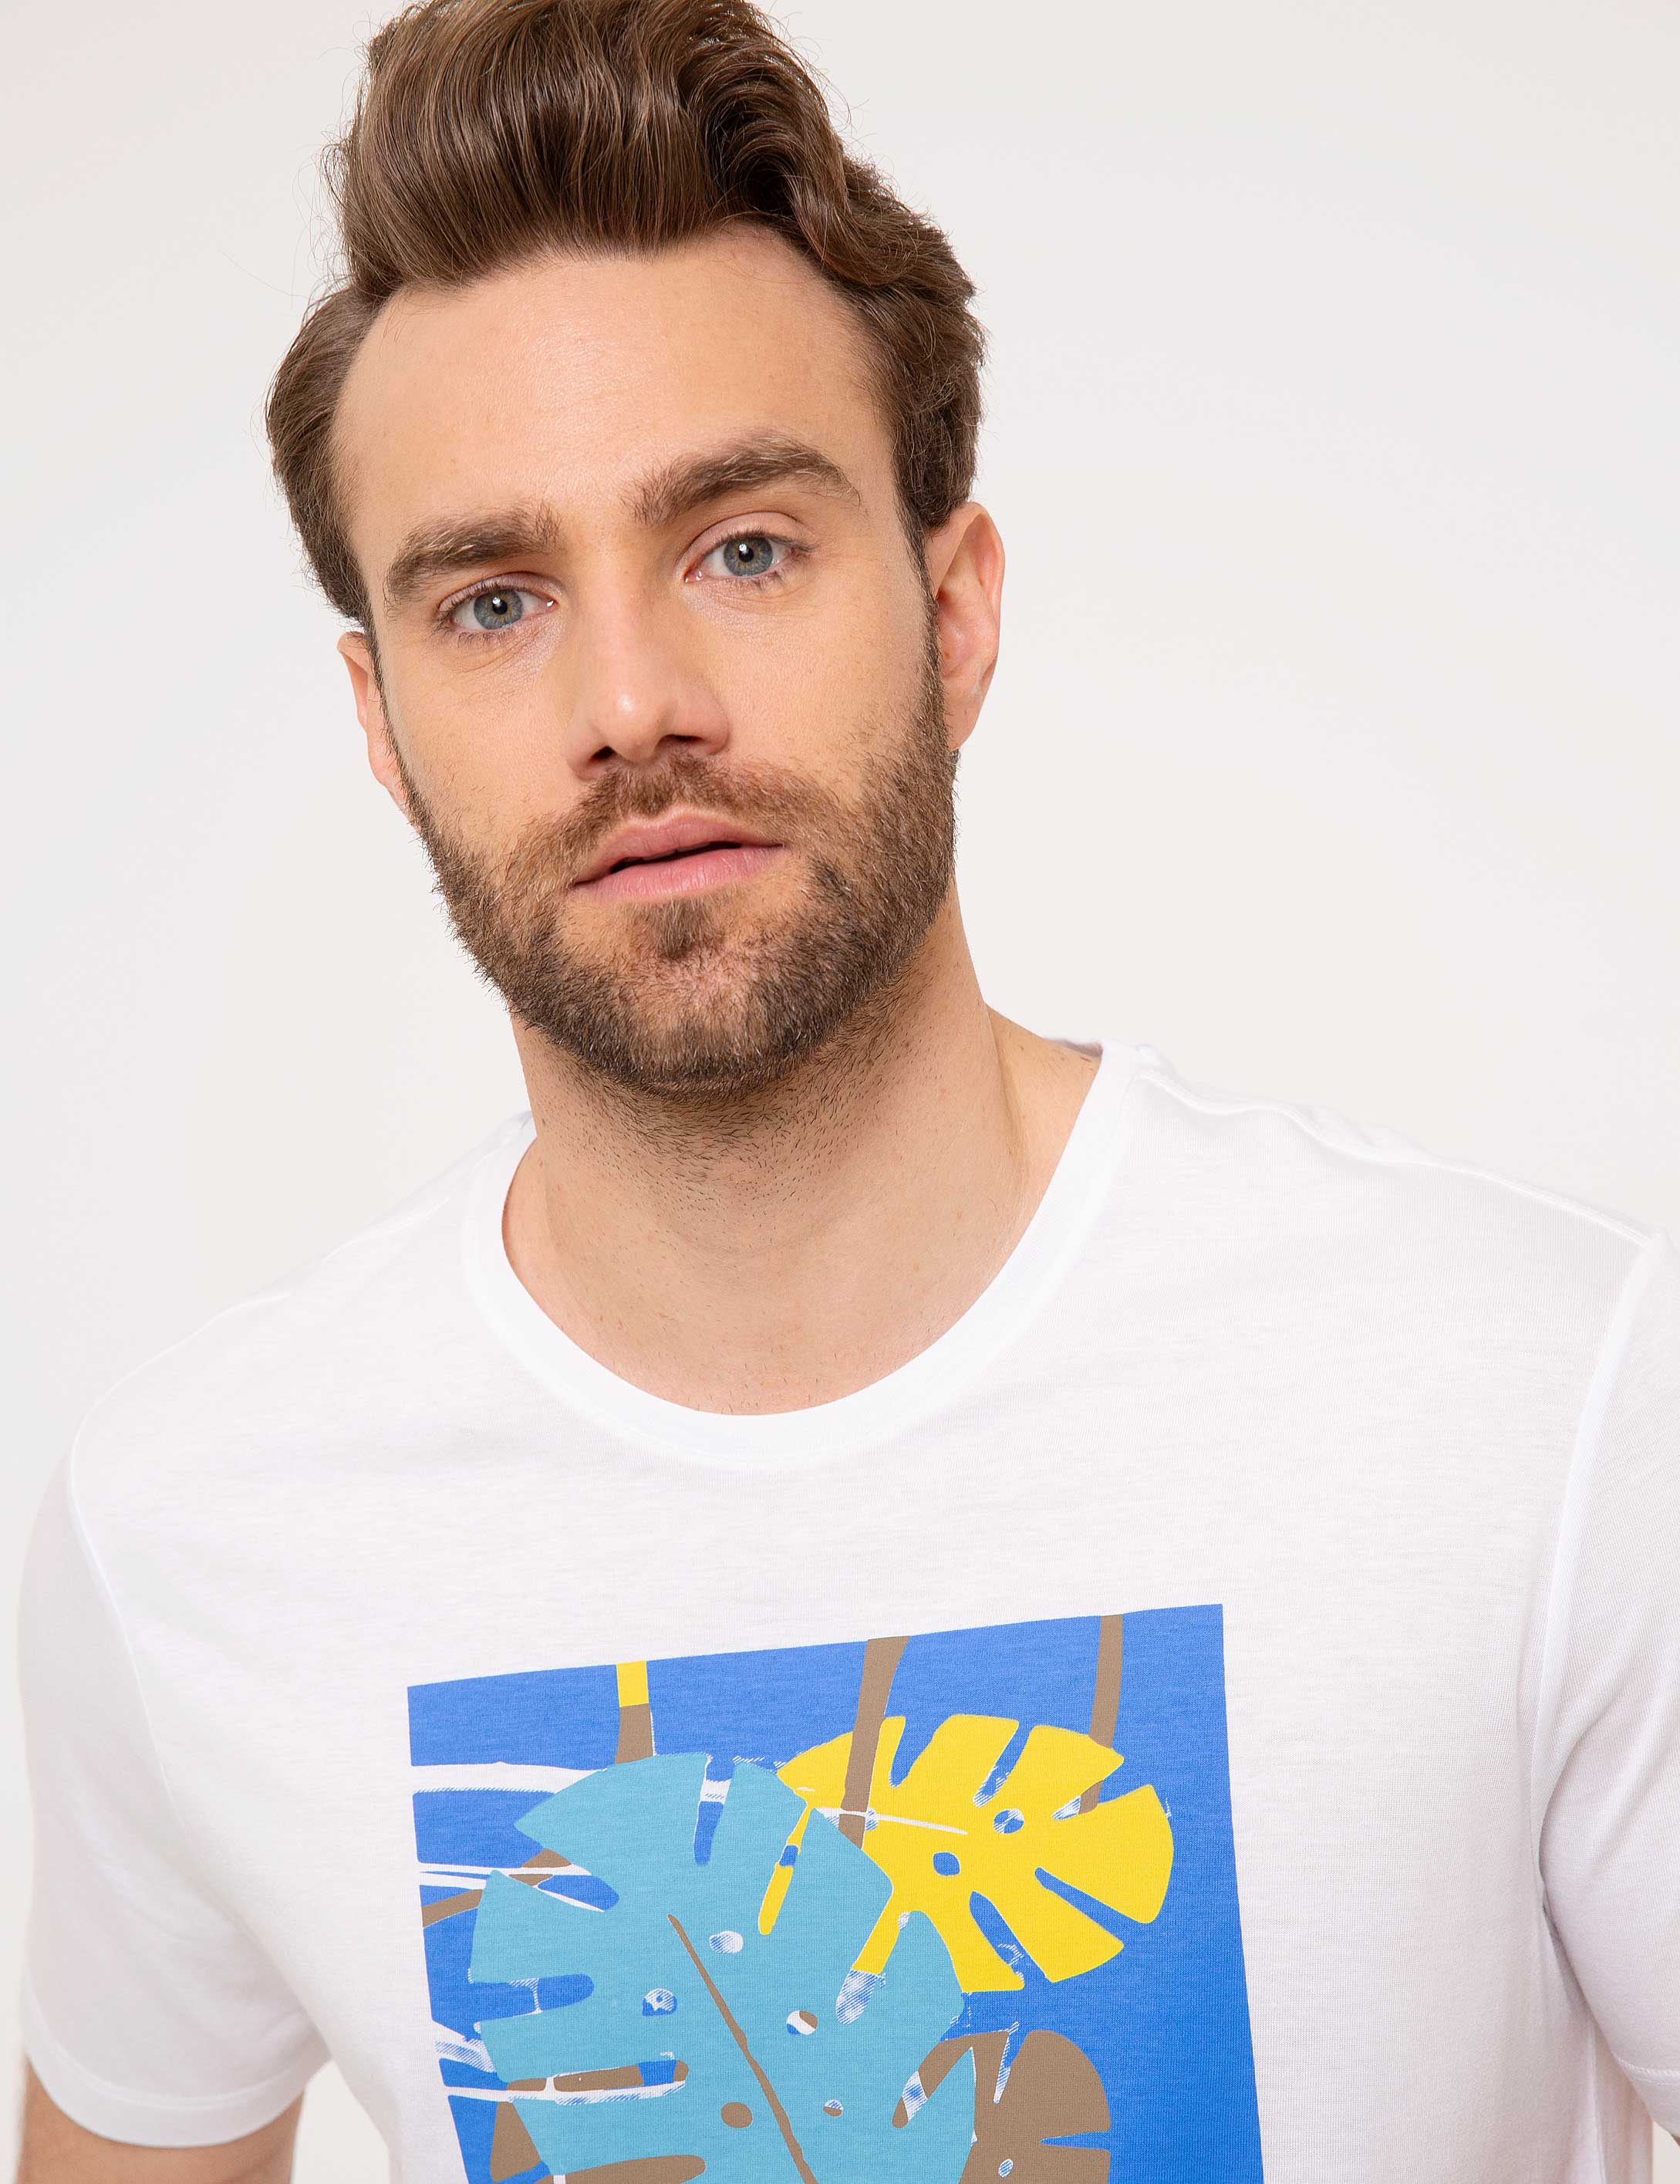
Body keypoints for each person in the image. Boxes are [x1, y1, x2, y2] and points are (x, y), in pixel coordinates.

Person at [15, 0, 1678, 2179]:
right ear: (380, 723)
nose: (632, 703)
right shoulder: (195, 1539)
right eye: (495, 601)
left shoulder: (1543, 1407)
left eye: (743, 546)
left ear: (954, 611)